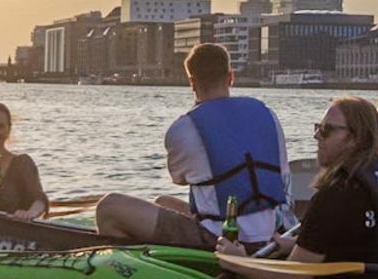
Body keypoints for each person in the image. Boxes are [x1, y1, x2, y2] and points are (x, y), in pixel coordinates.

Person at [94, 43, 290, 250]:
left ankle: (131, 269)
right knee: (162, 201)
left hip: (221, 240)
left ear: (192, 82)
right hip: (269, 234)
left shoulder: (185, 127)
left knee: (108, 207)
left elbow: (179, 179)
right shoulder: (267, 115)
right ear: (230, 77)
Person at [217, 97, 378, 279]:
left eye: (326, 130)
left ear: (356, 137)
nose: (317, 137)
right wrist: (299, 245)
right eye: (318, 128)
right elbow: (359, 242)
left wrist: (240, 262)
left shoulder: (337, 193)